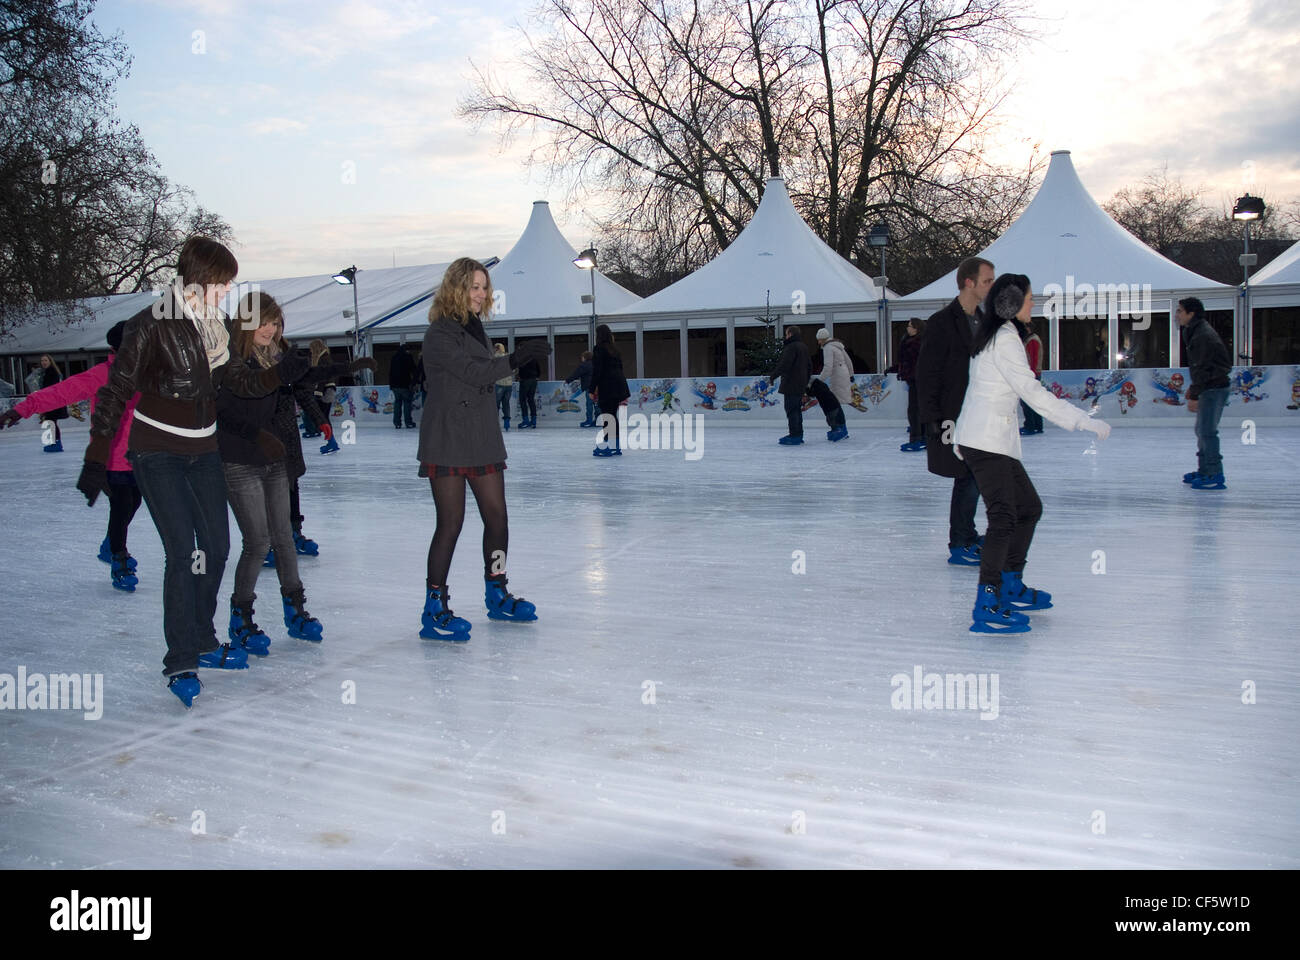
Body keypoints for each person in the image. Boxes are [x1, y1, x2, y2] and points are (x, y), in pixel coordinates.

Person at [79, 236, 311, 708]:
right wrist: (97, 452)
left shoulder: (219, 329)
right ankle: (181, 657)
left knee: (219, 547)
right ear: (201, 278)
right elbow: (116, 388)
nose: (227, 290)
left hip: (204, 449)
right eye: (222, 282)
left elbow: (236, 383)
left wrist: (277, 373)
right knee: (184, 551)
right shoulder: (150, 325)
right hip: (157, 450)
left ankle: (204, 639)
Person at [954, 274, 1111, 634]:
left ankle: (1009, 583)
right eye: (1029, 298)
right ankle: (988, 601)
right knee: (1005, 517)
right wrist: (1079, 420)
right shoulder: (1005, 340)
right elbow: (1032, 392)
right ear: (1010, 303)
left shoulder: (996, 336)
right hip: (987, 441)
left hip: (991, 440)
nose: (1033, 304)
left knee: (1028, 508)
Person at [417, 257, 550, 639]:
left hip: (482, 435)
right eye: (473, 287)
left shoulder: (474, 329)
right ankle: (434, 607)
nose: (480, 294)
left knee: (497, 517)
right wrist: (516, 358)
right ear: (456, 288)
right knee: (451, 524)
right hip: (448, 439)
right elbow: (473, 373)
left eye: (484, 287)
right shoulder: (440, 333)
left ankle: (497, 590)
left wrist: (509, 359)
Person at [218, 292, 329, 653]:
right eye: (263, 321)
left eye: (275, 322)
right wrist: (258, 436)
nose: (270, 328)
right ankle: (241, 617)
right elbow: (225, 416)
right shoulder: (229, 361)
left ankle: (296, 611)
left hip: (273, 460)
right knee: (257, 542)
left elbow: (299, 387)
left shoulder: (274, 358)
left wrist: (338, 369)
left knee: (283, 537)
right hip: (239, 461)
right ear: (246, 323)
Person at [2, 323, 143, 590]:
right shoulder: (102, 374)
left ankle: (110, 544)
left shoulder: (147, 375)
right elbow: (60, 392)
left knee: (135, 502)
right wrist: (21, 409)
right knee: (122, 505)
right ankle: (118, 558)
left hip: (142, 455)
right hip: (111, 455)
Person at [916, 256, 994, 565]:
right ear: (968, 282)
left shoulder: (986, 321)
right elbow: (927, 373)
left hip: (983, 413)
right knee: (969, 474)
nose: (991, 286)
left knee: (976, 477)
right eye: (987, 281)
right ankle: (960, 541)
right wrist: (933, 418)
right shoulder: (941, 323)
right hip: (955, 414)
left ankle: (966, 535)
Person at [1177, 297, 1231, 489]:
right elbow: (1200, 367)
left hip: (1214, 387)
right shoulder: (1193, 331)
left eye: (1180, 311)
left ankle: (1214, 473)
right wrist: (1194, 389)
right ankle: (1205, 470)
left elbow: (1204, 367)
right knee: (1202, 430)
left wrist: (1194, 394)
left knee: (1207, 431)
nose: (1177, 315)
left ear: (1191, 314)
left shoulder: (1202, 335)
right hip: (1210, 385)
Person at [591, 324, 630, 456]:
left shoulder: (599, 349)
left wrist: (592, 389)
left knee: (607, 416)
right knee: (612, 415)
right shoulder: (615, 350)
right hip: (619, 385)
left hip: (607, 386)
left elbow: (597, 370)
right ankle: (615, 446)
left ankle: (608, 446)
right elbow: (620, 368)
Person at [770, 325, 811, 444]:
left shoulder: (791, 347)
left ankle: (794, 435)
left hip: (791, 383)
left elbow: (785, 364)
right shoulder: (803, 347)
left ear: (790, 334)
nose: (785, 336)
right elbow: (809, 366)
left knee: (791, 409)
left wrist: (773, 376)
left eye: (786, 334)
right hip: (800, 383)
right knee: (796, 409)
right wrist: (805, 381)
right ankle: (798, 434)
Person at [808, 327, 850, 442]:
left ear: (822, 339)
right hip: (843, 374)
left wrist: (819, 381)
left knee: (832, 403)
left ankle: (839, 428)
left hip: (836, 376)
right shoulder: (838, 345)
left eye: (819, 339)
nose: (818, 342)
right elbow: (848, 360)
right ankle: (841, 427)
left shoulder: (827, 348)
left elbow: (828, 367)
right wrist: (850, 374)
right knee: (835, 402)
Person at [897, 318, 926, 451]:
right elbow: (905, 361)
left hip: (917, 379)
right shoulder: (910, 341)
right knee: (917, 409)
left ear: (916, 328)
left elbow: (914, 362)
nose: (907, 328)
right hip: (914, 379)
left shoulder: (917, 343)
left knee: (914, 410)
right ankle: (922, 437)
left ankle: (917, 438)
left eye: (909, 326)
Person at [35, 355, 69, 452]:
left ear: (50, 361)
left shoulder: (52, 372)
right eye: (42, 361)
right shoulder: (46, 372)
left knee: (51, 421)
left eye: (45, 360)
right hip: (50, 401)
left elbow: (51, 387)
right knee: (51, 422)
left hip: (53, 401)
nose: (44, 362)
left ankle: (56, 444)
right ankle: (55, 443)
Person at [1019, 324, 1045, 436]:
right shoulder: (1031, 339)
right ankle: (1037, 426)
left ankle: (1030, 426)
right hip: (1032, 374)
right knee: (1033, 401)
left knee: (1027, 401)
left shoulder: (1032, 340)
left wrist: (1031, 374)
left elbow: (1033, 359)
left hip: (1031, 374)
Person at [388, 342, 417, 429]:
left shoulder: (394, 357)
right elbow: (413, 369)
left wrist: (391, 385)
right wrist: (414, 382)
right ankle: (408, 422)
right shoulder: (408, 357)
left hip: (395, 385)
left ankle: (397, 423)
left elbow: (390, 372)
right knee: (407, 404)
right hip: (405, 384)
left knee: (397, 403)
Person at [565, 350, 597, 428]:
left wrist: (568, 380)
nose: (581, 358)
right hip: (597, 387)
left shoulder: (584, 365)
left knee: (589, 404)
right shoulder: (596, 364)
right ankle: (598, 420)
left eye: (582, 357)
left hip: (590, 387)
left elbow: (576, 374)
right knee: (596, 404)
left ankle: (589, 420)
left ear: (585, 357)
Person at [516, 343, 541, 428]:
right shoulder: (532, 357)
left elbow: (521, 370)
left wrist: (520, 377)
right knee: (531, 399)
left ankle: (525, 420)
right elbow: (538, 369)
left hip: (525, 380)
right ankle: (533, 421)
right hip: (533, 380)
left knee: (522, 400)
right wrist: (536, 376)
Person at [493, 342, 514, 430]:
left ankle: (495, 423)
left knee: (496, 404)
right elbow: (513, 370)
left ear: (497, 349)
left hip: (499, 384)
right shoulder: (508, 357)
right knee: (506, 403)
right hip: (509, 385)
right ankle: (507, 423)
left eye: (494, 348)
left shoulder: (495, 357)